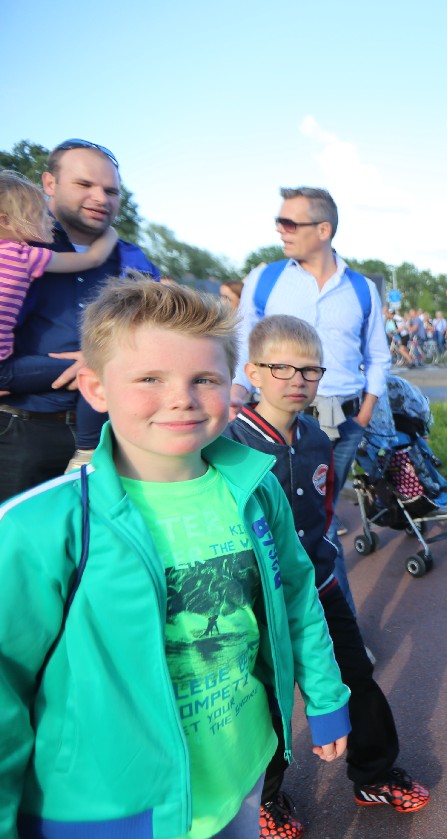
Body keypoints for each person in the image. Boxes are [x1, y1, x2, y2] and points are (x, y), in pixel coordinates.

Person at [0, 277, 350, 838]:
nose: (181, 398)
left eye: (204, 379)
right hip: (110, 812)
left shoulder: (255, 489)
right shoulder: (41, 526)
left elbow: (295, 598)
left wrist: (327, 696)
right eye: (149, 378)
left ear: (232, 386)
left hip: (240, 773)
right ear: (95, 387)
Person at [224, 315, 430, 838]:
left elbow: (324, 509)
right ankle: (266, 798)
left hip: (319, 587)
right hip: (259, 601)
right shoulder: (230, 445)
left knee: (355, 676)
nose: (298, 379)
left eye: (310, 370)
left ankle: (374, 773)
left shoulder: (317, 438)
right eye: (282, 368)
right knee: (263, 701)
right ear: (253, 372)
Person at [231, 186, 391, 615]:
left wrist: (365, 413)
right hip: (271, 422)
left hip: (340, 420)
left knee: (320, 524)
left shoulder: (361, 288)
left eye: (289, 222)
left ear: (323, 230)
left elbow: (378, 356)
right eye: (279, 221)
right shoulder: (265, 279)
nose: (280, 230)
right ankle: (302, 628)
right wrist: (237, 395)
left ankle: (332, 630)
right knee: (272, 524)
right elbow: (243, 345)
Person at [0, 140, 159, 502]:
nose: (100, 198)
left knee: (93, 536)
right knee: (14, 535)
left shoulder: (134, 261)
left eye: (111, 191)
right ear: (50, 183)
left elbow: (159, 337)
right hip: (18, 431)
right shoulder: (19, 246)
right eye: (84, 184)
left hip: (110, 437)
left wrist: (100, 361)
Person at [0, 170, 120, 456]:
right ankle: (88, 451)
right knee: (93, 371)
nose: (50, 221)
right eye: (39, 215)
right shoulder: (22, 255)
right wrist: (111, 232)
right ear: (5, 221)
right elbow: (92, 258)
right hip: (4, 369)